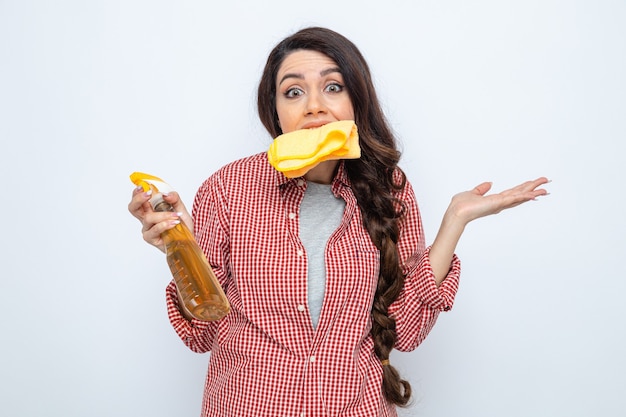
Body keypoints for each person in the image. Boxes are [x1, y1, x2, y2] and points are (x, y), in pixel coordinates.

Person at [128, 27, 548, 417]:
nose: (314, 106)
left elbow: (405, 332)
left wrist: (454, 222)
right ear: (275, 113)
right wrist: (179, 245)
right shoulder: (226, 189)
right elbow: (202, 334)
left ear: (355, 103)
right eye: (293, 92)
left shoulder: (390, 188)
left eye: (333, 87)